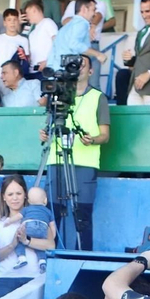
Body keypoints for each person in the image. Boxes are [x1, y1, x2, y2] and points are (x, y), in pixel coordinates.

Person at [39, 55, 107, 250]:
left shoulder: (97, 97)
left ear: (91, 71)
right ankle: (49, 259)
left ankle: (82, 259)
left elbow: (105, 134)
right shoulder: (57, 95)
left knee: (82, 215)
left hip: (85, 163)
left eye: (82, 65)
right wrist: (45, 135)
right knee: (52, 212)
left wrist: (92, 139)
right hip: (56, 161)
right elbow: (49, 125)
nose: (78, 69)